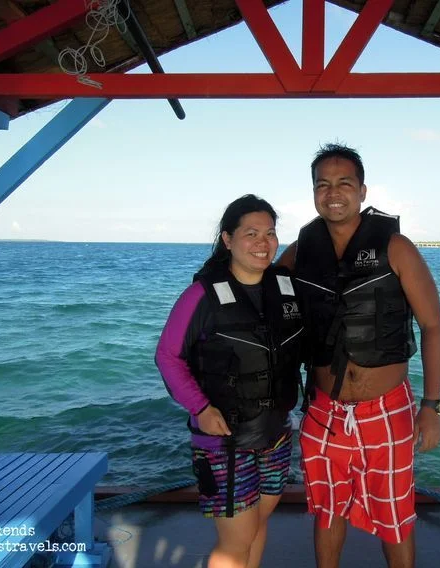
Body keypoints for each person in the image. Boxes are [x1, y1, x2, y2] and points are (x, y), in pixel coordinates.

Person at [277, 143, 440, 568]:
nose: (333, 193)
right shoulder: (299, 253)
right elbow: (258, 297)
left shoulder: (397, 247)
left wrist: (431, 407)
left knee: (395, 516)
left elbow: (433, 327)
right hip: (323, 412)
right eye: (323, 184)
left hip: (387, 410)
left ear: (363, 190)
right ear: (314, 192)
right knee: (326, 510)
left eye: (344, 183)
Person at [155, 194, 304, 568]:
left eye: (270, 233)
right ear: (227, 239)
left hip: (276, 435)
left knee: (255, 526)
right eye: (250, 233)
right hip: (225, 442)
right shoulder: (201, 295)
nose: (263, 243)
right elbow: (167, 357)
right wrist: (200, 408)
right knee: (235, 542)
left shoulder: (284, 288)